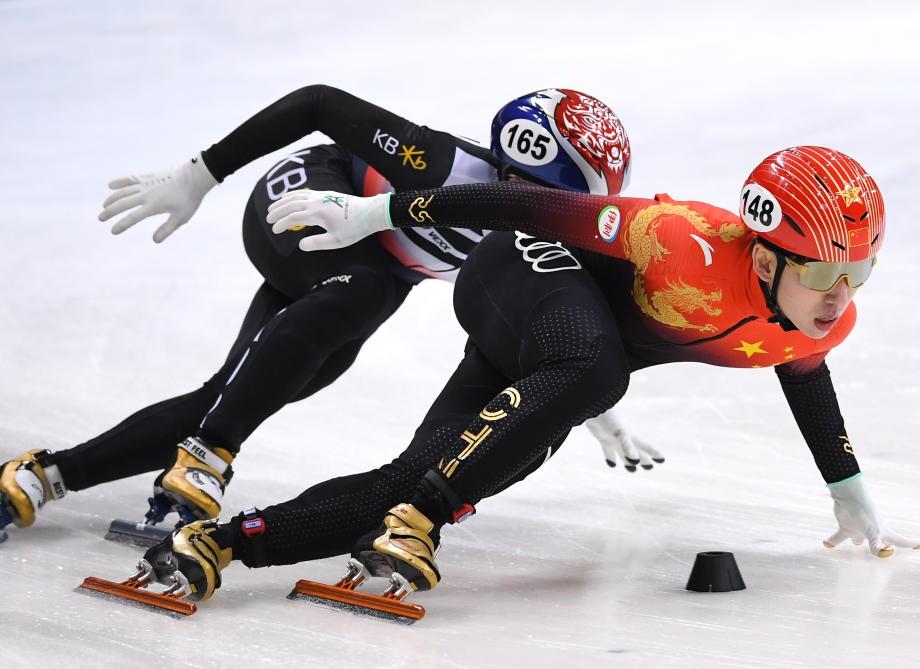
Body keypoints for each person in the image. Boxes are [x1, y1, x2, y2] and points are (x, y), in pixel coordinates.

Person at [134, 145, 920, 603]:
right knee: (597, 373)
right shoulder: (677, 238)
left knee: (411, 481)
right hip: (516, 270)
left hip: (553, 353)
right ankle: (425, 518)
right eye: (824, 274)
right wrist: (381, 213)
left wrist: (846, 483)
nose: (841, 297)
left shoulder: (826, 318)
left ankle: (220, 544)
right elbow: (525, 206)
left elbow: (804, 372)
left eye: (860, 274)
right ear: (764, 256)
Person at [0, 86, 660, 544]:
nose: (550, 219)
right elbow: (319, 103)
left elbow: (531, 322)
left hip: (370, 269)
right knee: (360, 294)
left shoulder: (541, 238)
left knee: (257, 384)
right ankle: (209, 453)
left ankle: (45, 475)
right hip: (312, 199)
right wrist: (201, 173)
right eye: (545, 198)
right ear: (510, 170)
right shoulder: (443, 164)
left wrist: (587, 405)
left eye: (569, 210)